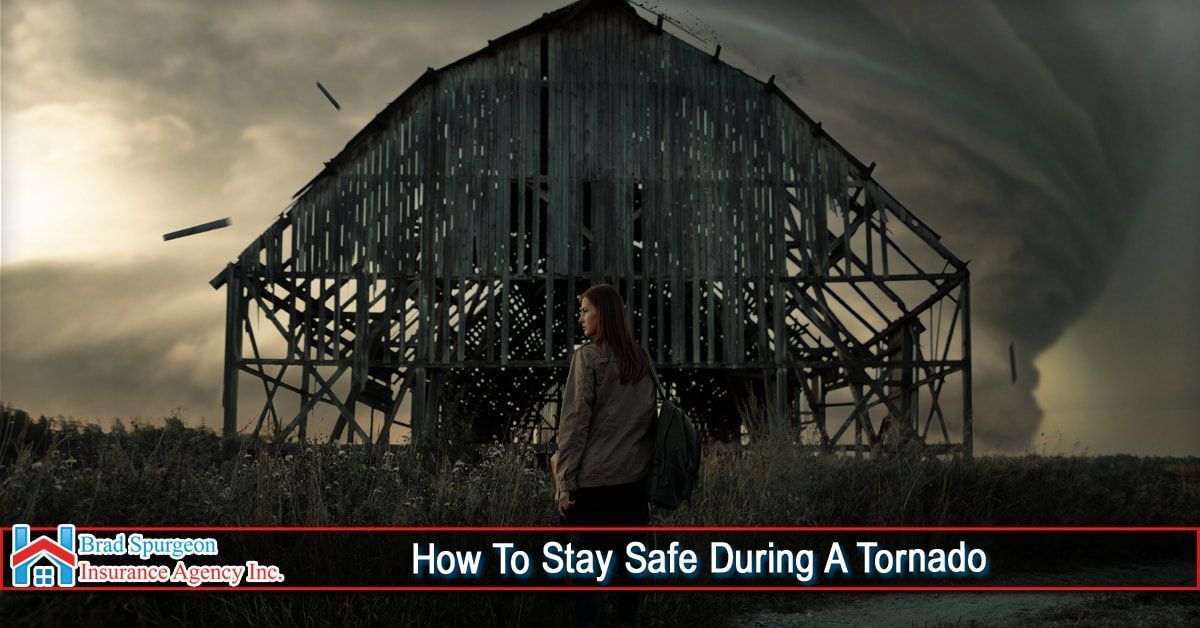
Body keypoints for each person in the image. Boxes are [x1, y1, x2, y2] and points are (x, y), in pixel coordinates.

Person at [552, 283, 656, 628]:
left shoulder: (587, 357)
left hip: (595, 486)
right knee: (631, 569)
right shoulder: (641, 358)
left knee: (586, 573)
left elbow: (575, 421)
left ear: (604, 313)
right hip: (634, 487)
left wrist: (565, 481)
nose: (580, 317)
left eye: (585, 310)